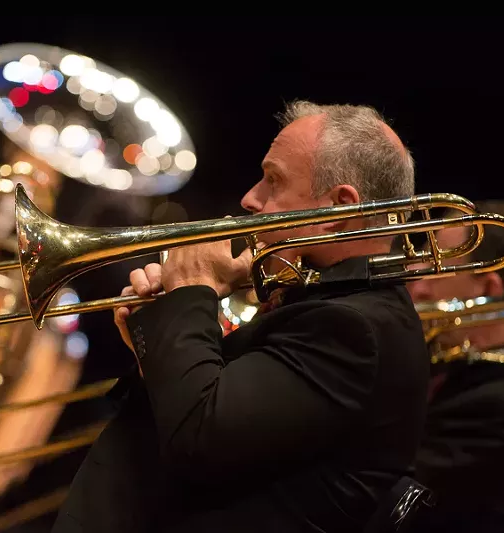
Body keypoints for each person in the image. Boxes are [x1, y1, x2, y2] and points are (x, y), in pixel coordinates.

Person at [50, 100, 431, 533]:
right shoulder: (329, 301)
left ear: (337, 209)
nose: (250, 198)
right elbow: (213, 419)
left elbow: (199, 439)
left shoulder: (353, 326)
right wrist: (155, 342)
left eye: (274, 180)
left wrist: (192, 290)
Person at [405, 200, 504, 533]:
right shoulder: (453, 367)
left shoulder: (496, 404)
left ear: (489, 290)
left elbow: (396, 504)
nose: (417, 285)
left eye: (436, 268)